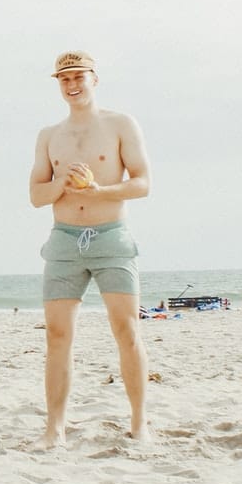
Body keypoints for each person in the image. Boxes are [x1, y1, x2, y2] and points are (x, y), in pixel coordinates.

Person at [29, 50, 153, 448]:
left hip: (111, 236)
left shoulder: (119, 124)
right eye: (64, 79)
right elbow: (35, 195)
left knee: (127, 329)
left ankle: (139, 423)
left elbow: (142, 182)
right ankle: (55, 429)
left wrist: (98, 190)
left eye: (79, 77)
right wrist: (61, 186)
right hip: (64, 240)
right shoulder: (49, 135)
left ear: (94, 79)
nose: (72, 85)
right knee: (57, 335)